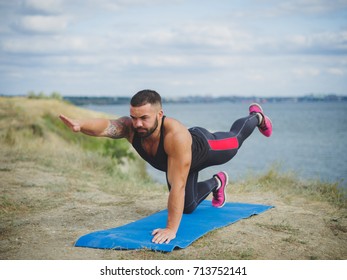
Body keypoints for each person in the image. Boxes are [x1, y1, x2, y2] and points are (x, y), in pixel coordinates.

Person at [59, 89, 272, 245]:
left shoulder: (174, 137)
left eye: (144, 118)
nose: (138, 123)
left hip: (203, 146)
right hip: (180, 162)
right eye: (134, 117)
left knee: (235, 140)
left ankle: (256, 116)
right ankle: (218, 182)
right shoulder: (131, 128)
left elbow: (177, 186)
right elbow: (106, 126)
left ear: (160, 115)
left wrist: (171, 228)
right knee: (187, 207)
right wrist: (81, 125)